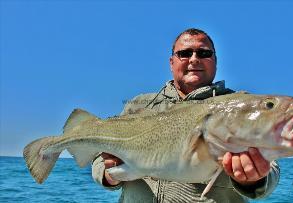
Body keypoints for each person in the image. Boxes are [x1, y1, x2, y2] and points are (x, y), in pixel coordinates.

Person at [92, 28, 280, 203]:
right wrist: (110, 175)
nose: (194, 59)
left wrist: (253, 179)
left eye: (204, 53)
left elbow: (270, 170)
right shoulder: (138, 106)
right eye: (184, 53)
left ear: (215, 61)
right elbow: (99, 159)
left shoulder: (241, 105)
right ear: (171, 62)